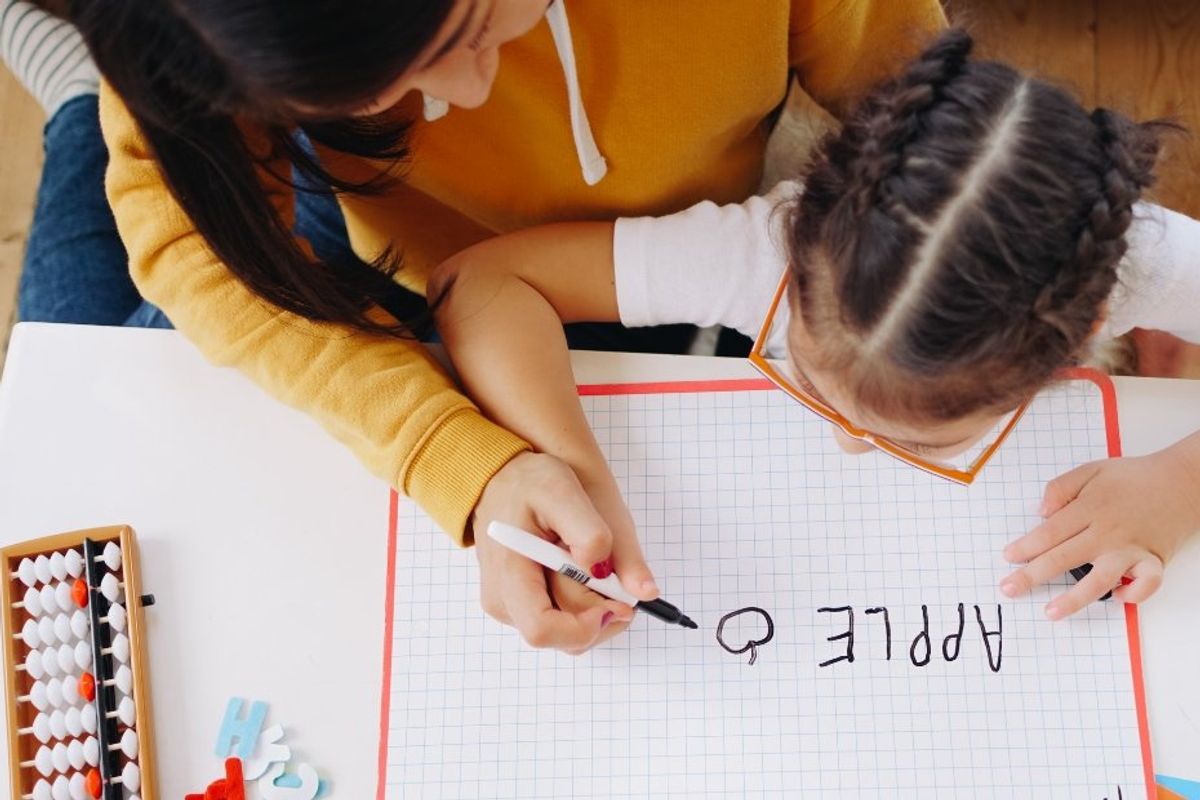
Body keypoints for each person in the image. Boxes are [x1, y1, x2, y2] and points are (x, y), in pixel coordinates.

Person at [56, 0, 947, 654]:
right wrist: (463, 459)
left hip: (670, 256)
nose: (468, 90)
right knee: (80, 412)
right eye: (376, 94)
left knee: (71, 376)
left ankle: (70, 101)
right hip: (383, 250)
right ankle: (83, 101)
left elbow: (929, 109)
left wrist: (909, 311)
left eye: (475, 28)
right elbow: (197, 242)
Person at [430, 30, 1200, 629]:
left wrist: (1177, 488)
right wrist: (576, 470)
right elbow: (482, 283)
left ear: (1080, 332)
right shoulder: (758, 251)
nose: (850, 442)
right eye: (807, 375)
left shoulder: (1150, 259)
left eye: (920, 437)